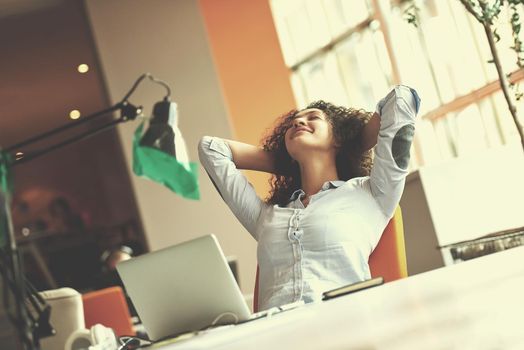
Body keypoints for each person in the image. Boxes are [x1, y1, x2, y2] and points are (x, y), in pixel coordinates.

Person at [198, 85, 420, 311]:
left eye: (313, 118)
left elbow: (402, 100)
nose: (297, 122)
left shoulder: (372, 193)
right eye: (293, 123)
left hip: (342, 326)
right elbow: (210, 149)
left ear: (338, 137)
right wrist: (288, 162)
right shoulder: (266, 216)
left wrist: (351, 144)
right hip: (274, 334)